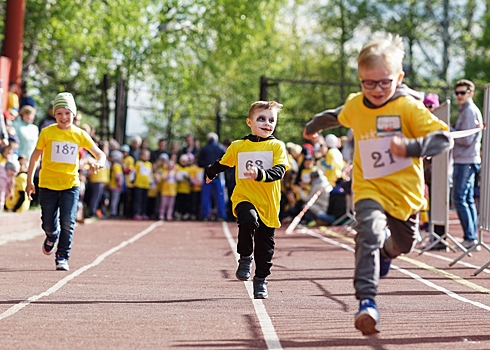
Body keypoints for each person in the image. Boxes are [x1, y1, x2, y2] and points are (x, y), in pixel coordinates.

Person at [302, 34, 452, 335]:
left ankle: (387, 252)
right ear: (359, 80)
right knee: (367, 232)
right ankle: (367, 303)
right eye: (368, 83)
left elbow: (443, 138)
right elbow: (337, 116)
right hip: (369, 187)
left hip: (405, 195)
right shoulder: (357, 104)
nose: (377, 90)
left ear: (399, 77)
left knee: (402, 244)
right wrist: (313, 126)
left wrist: (409, 148)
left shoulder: (408, 107)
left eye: (384, 82)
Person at [205, 101, 289, 299]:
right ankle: (245, 257)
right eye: (261, 119)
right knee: (248, 220)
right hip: (244, 196)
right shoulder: (239, 146)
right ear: (249, 122)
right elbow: (223, 163)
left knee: (265, 248)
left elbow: (279, 171)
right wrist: (211, 172)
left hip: (268, 203)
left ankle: (261, 280)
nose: (267, 123)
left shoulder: (277, 146)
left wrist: (260, 174)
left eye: (271, 120)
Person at [26, 92, 106, 271]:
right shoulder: (47, 132)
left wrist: (98, 162)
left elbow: (100, 154)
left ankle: (62, 256)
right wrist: (29, 180)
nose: (64, 117)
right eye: (59, 113)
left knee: (68, 222)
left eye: (67, 113)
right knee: (48, 223)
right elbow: (35, 157)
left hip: (70, 185)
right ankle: (51, 235)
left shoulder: (80, 134)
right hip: (47, 185)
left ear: (74, 114)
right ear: (54, 115)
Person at [452, 79, 483, 250]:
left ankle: (470, 238)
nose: (459, 96)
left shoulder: (470, 111)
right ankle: (471, 237)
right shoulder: (467, 110)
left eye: (462, 93)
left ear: (470, 93)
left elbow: (466, 138)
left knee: (459, 198)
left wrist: (450, 131)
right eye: (457, 93)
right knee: (467, 199)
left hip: (466, 160)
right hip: (466, 159)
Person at [198, 132, 228, 222]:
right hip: (218, 176)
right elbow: (226, 161)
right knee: (220, 196)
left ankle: (205, 215)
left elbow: (199, 163)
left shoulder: (204, 148)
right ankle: (221, 215)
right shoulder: (221, 148)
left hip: (207, 175)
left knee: (206, 196)